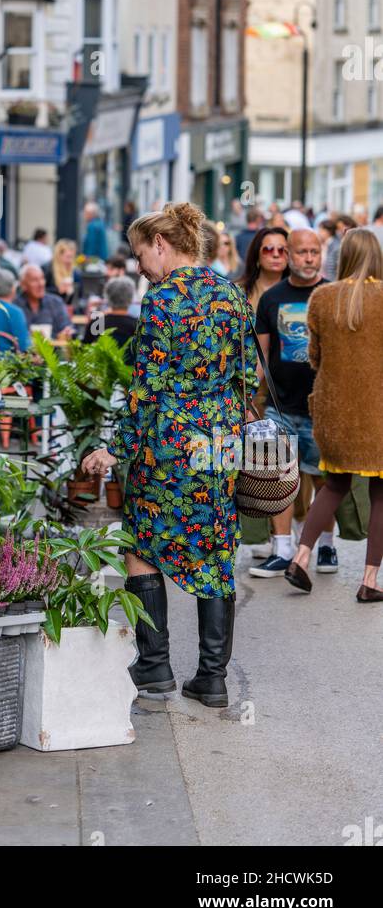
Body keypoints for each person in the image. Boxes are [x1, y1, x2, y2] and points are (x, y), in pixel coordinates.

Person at [82, 202, 256, 708]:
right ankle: (213, 678)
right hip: (219, 443)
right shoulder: (230, 293)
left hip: (170, 445)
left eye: (140, 254)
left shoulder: (161, 301)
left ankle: (155, 667)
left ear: (161, 244)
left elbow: (147, 386)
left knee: (141, 541)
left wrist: (116, 450)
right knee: (216, 547)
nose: (138, 266)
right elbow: (247, 379)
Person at [286, 230, 383, 599]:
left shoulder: (323, 298)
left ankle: (300, 557)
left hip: (334, 411)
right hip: (377, 410)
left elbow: (314, 357)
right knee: (381, 496)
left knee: (334, 485)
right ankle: (370, 581)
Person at [250, 229, 334, 580]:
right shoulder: (272, 298)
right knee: (275, 476)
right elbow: (262, 355)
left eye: (314, 251)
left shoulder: (330, 295)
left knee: (322, 479)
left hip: (321, 406)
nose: (309, 258)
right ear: (290, 255)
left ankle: (326, 544)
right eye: (302, 252)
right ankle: (283, 548)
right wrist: (246, 397)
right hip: (279, 405)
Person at [15, 264, 74, 339]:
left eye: (42, 278)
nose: (41, 284)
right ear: (23, 285)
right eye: (34, 280)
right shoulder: (15, 305)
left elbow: (68, 327)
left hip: (54, 349)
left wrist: (67, 332)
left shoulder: (56, 302)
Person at [238, 226, 289, 312]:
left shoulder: (298, 291)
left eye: (282, 249)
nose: (276, 254)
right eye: (268, 249)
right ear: (257, 255)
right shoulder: (238, 292)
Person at [83, 275, 137, 346]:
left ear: (107, 297)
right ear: (131, 298)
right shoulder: (137, 325)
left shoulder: (98, 323)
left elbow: (85, 349)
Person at [321, 213, 356, 281]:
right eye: (339, 229)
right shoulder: (336, 244)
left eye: (343, 228)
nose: (341, 231)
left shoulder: (354, 243)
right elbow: (330, 268)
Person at [43, 238, 78, 307]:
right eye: (68, 257)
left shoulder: (75, 272)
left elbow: (78, 296)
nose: (70, 261)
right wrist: (58, 290)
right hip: (50, 306)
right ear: (59, 255)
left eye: (72, 257)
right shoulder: (48, 269)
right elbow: (41, 291)